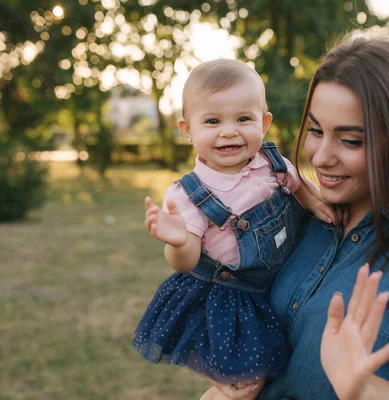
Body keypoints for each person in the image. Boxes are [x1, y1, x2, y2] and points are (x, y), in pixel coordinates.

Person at [204, 35, 389, 400]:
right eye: (315, 130)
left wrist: (365, 389)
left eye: (350, 141)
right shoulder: (292, 220)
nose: (321, 156)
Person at [132, 59, 339, 398]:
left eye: (243, 119)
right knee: (247, 383)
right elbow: (186, 263)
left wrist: (315, 204)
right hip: (234, 294)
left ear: (264, 122)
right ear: (187, 129)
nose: (229, 131)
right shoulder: (189, 195)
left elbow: (299, 188)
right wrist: (178, 241)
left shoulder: (273, 164)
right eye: (212, 121)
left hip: (283, 275)